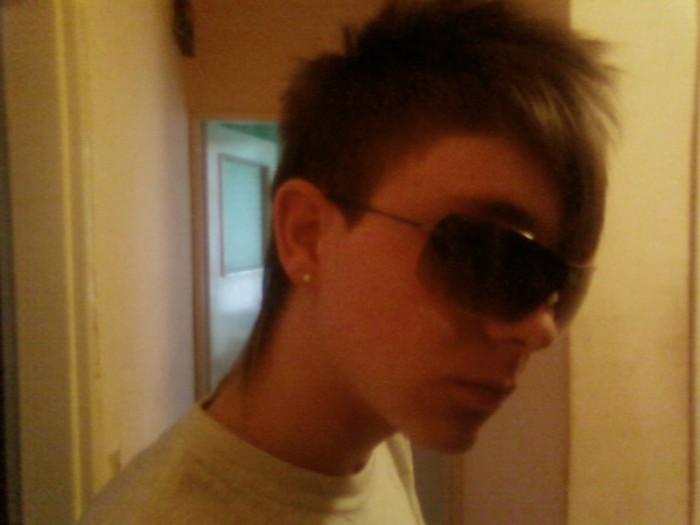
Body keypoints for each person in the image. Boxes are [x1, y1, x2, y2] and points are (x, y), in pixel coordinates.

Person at [80, 0, 616, 523]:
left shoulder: (378, 437)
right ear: (307, 235)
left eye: (561, 286)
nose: (540, 329)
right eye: (490, 255)